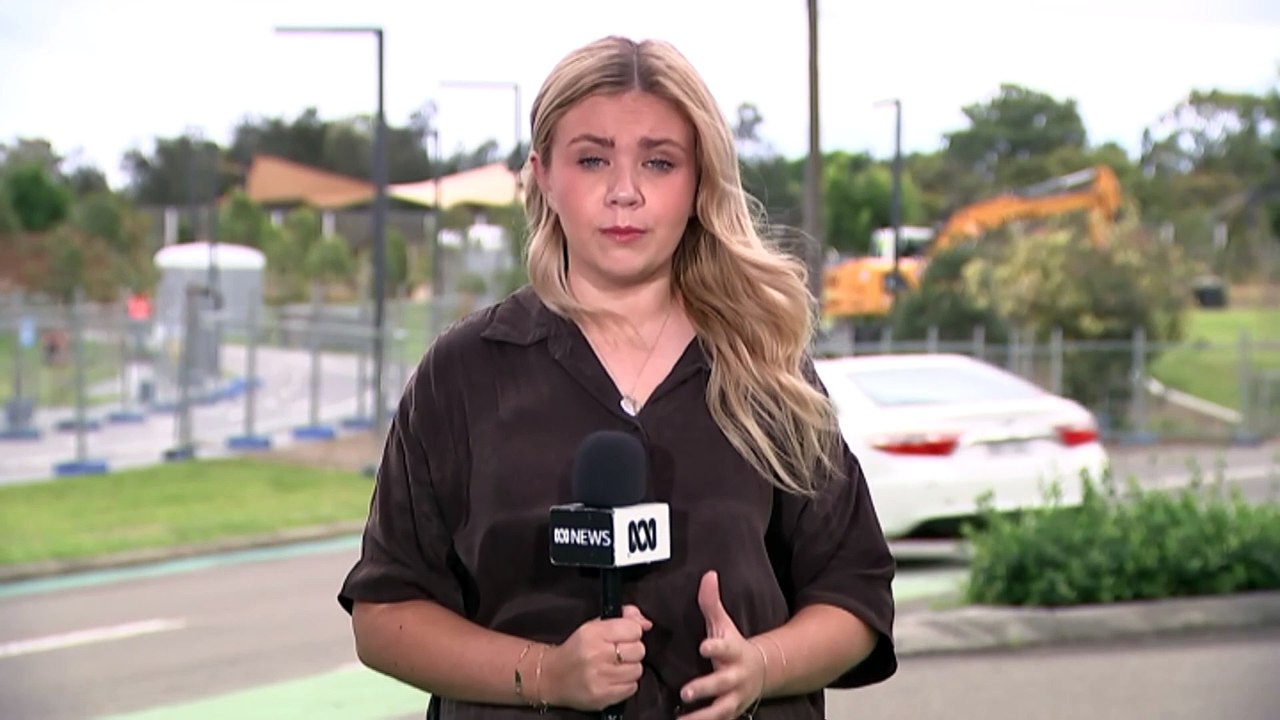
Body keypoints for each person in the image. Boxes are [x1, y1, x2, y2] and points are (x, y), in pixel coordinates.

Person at [338, 35, 897, 719]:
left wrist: (761, 667)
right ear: (543, 175)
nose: (625, 192)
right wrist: (546, 674)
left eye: (659, 162)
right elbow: (385, 613)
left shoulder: (768, 370)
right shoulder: (464, 374)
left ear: (697, 185)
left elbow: (854, 594)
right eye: (593, 158)